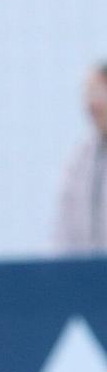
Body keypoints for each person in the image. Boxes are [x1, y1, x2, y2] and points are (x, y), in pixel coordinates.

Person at [53, 63, 107, 254]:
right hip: (84, 275)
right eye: (88, 94)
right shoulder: (80, 159)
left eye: (99, 94)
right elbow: (63, 230)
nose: (92, 104)